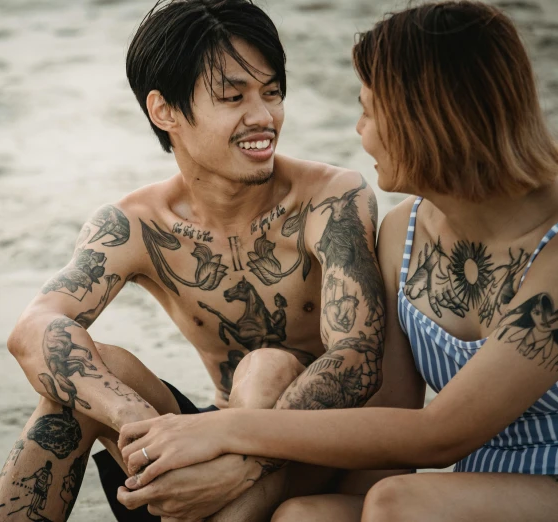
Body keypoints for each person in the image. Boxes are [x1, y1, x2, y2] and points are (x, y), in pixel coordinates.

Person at [117, 2, 558, 520]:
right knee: (306, 515)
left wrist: (221, 430)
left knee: (398, 505)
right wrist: (256, 490)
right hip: (476, 490)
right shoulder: (404, 231)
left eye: (369, 110)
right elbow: (389, 425)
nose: (359, 130)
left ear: (430, 115)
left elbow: (439, 437)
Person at [0, 1, 392, 521]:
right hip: (193, 458)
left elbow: (358, 359)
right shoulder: (136, 222)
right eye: (233, 96)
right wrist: (136, 419)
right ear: (165, 111)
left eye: (271, 92)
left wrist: (242, 460)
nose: (264, 117)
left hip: (312, 453)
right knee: (77, 384)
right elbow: (32, 329)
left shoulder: (331, 197)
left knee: (266, 365)